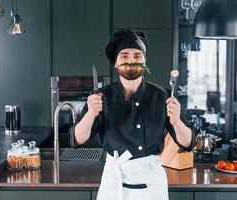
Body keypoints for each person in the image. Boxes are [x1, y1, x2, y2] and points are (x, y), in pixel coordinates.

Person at [69, 28, 194, 200]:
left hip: (151, 182)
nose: (131, 61)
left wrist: (177, 121)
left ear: (144, 61)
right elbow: (77, 140)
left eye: (137, 56)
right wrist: (91, 114)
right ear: (116, 63)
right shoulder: (100, 97)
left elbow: (187, 143)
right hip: (114, 180)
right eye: (125, 55)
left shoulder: (163, 96)